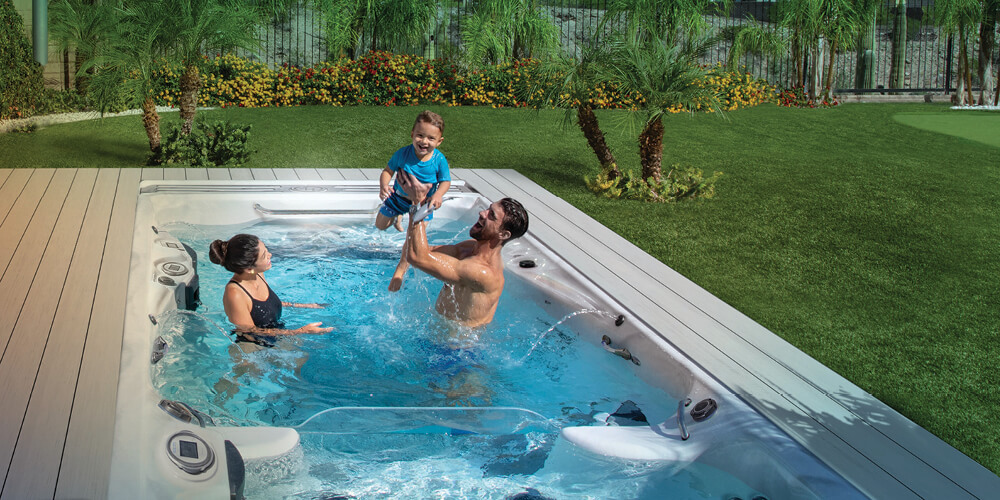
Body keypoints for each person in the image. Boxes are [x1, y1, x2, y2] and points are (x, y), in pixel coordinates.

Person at [399, 171, 529, 327]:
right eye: (488, 209)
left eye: (491, 215)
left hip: (457, 349)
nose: (482, 213)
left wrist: (417, 203)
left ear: (503, 234)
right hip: (440, 338)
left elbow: (417, 258)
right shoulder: (469, 247)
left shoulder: (483, 272)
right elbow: (419, 250)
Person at [208, 234, 333, 351]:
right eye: (264, 256)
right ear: (249, 269)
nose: (270, 255)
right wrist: (299, 331)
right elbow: (250, 331)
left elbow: (265, 304)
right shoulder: (235, 293)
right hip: (253, 349)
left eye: (266, 249)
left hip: (276, 334)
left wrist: (305, 306)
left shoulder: (257, 273)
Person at [376, 110, 452, 292]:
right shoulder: (403, 154)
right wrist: (384, 186)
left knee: (413, 238)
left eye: (431, 138)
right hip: (398, 198)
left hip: (423, 204)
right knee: (380, 225)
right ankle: (399, 216)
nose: (424, 142)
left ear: (439, 141)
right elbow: (387, 171)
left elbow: (445, 181)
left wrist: (438, 195)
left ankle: (400, 271)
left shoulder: (439, 160)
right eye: (420, 135)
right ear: (412, 134)